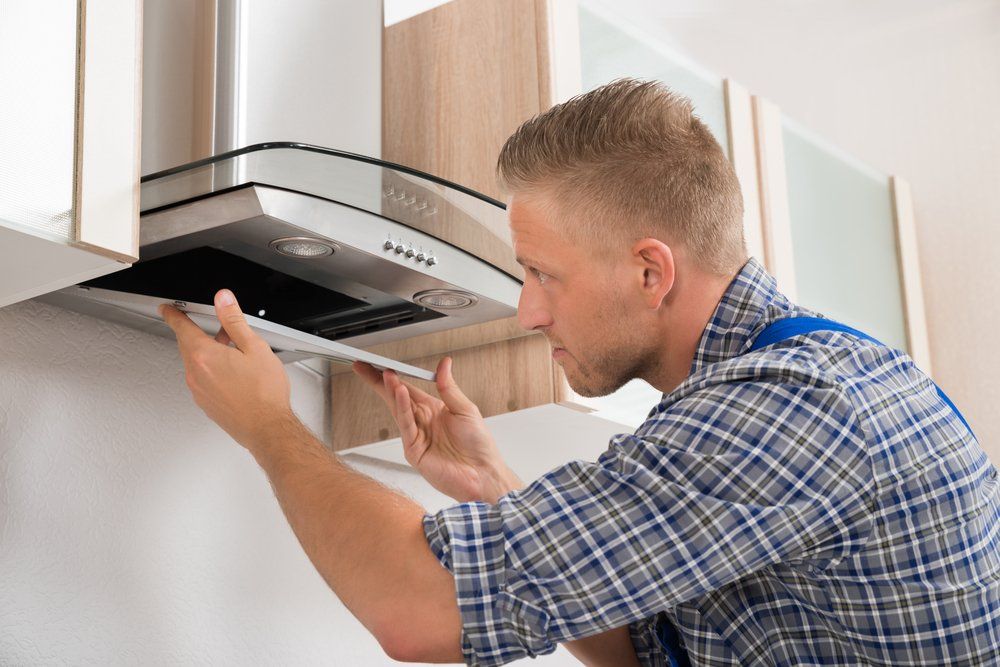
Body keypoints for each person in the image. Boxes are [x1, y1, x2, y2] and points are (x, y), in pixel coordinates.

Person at [160, 79, 999, 665]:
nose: (526, 311)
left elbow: (415, 610)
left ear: (649, 271)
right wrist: (495, 485)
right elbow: (647, 648)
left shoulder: (788, 409)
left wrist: (269, 425)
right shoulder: (788, 387)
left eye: (541, 273)